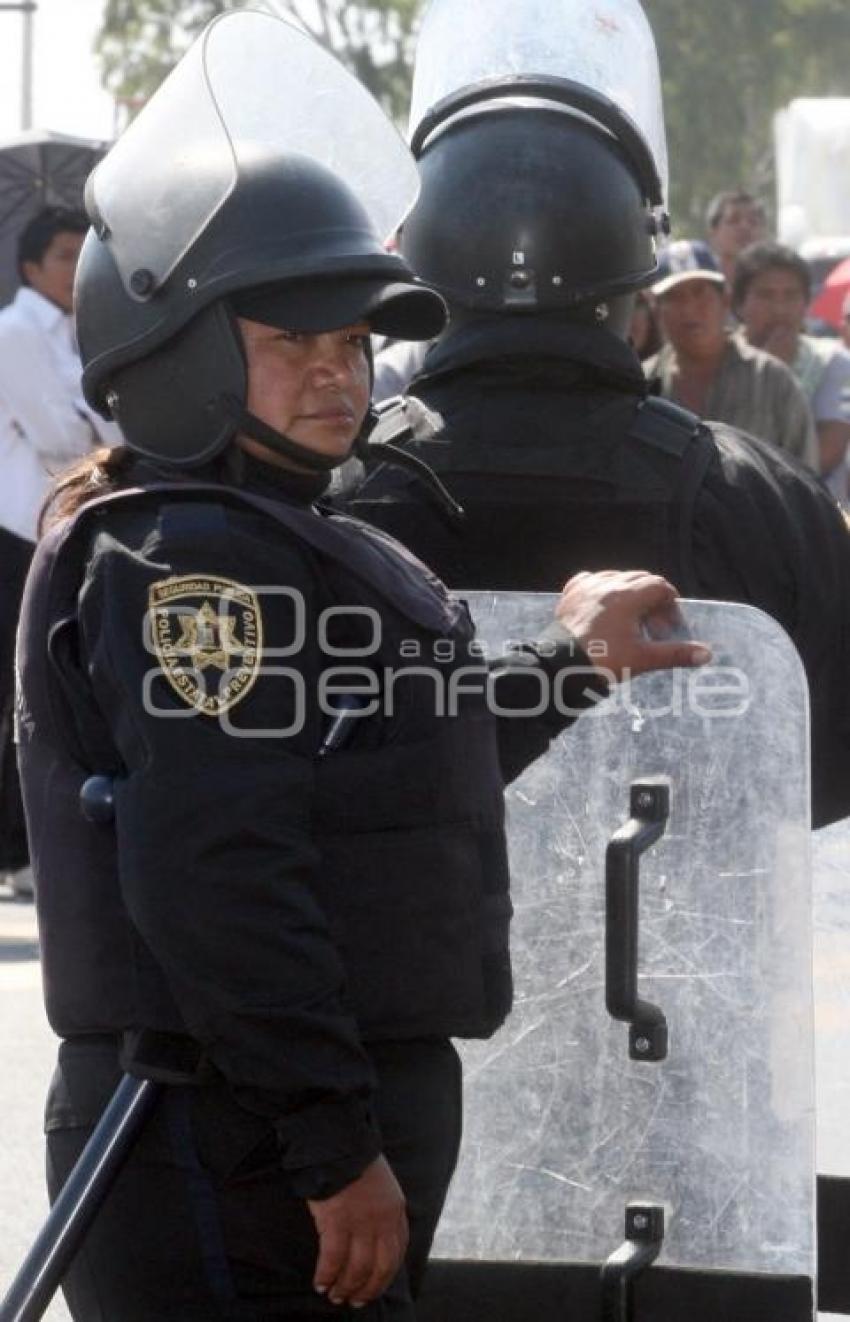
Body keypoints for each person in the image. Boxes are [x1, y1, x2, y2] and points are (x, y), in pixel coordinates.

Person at [14, 13, 706, 1320]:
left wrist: (569, 661)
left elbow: (388, 767)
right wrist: (330, 1148)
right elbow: (218, 863)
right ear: (181, 349)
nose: (341, 376)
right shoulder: (186, 558)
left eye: (351, 343)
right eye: (295, 344)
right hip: (223, 1143)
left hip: (261, 1126)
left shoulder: (269, 530)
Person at [343, 0, 850, 832]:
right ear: (634, 273)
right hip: (685, 958)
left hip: (404, 961)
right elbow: (824, 798)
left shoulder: (328, 489)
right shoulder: (765, 500)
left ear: (420, 263)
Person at [0, 206, 120, 897]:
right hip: (20, 527)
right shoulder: (18, 331)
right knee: (24, 693)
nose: (79, 269)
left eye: (85, 254)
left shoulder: (77, 329)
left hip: (59, 522)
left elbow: (97, 421)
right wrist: (98, 420)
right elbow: (61, 435)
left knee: (49, 689)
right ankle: (17, 852)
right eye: (66, 255)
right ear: (30, 268)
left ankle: (28, 846)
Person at [644, 239, 818, 469]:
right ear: (657, 310)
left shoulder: (771, 380)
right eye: (675, 297)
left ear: (725, 300)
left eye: (700, 293)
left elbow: (806, 480)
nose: (689, 308)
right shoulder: (640, 385)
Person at [732, 239, 850, 503]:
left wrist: (775, 375)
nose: (779, 309)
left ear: (806, 303)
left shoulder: (834, 362)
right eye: (765, 295)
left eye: (791, 295)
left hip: (814, 515)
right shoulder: (720, 359)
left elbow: (823, 456)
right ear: (739, 304)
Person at [705, 188, 768, 285]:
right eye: (733, 220)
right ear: (713, 233)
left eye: (753, 221)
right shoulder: (699, 287)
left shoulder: (777, 289)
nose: (745, 227)